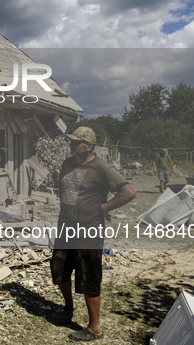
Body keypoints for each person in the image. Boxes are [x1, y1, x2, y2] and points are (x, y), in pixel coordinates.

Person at [50, 126, 136, 341]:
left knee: (89, 275)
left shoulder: (101, 168)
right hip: (66, 228)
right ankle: (68, 307)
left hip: (89, 230)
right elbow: (62, 191)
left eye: (75, 142)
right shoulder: (67, 164)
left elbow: (128, 192)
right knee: (59, 268)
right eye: (71, 141)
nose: (71, 144)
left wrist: (105, 207)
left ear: (88, 146)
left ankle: (95, 328)